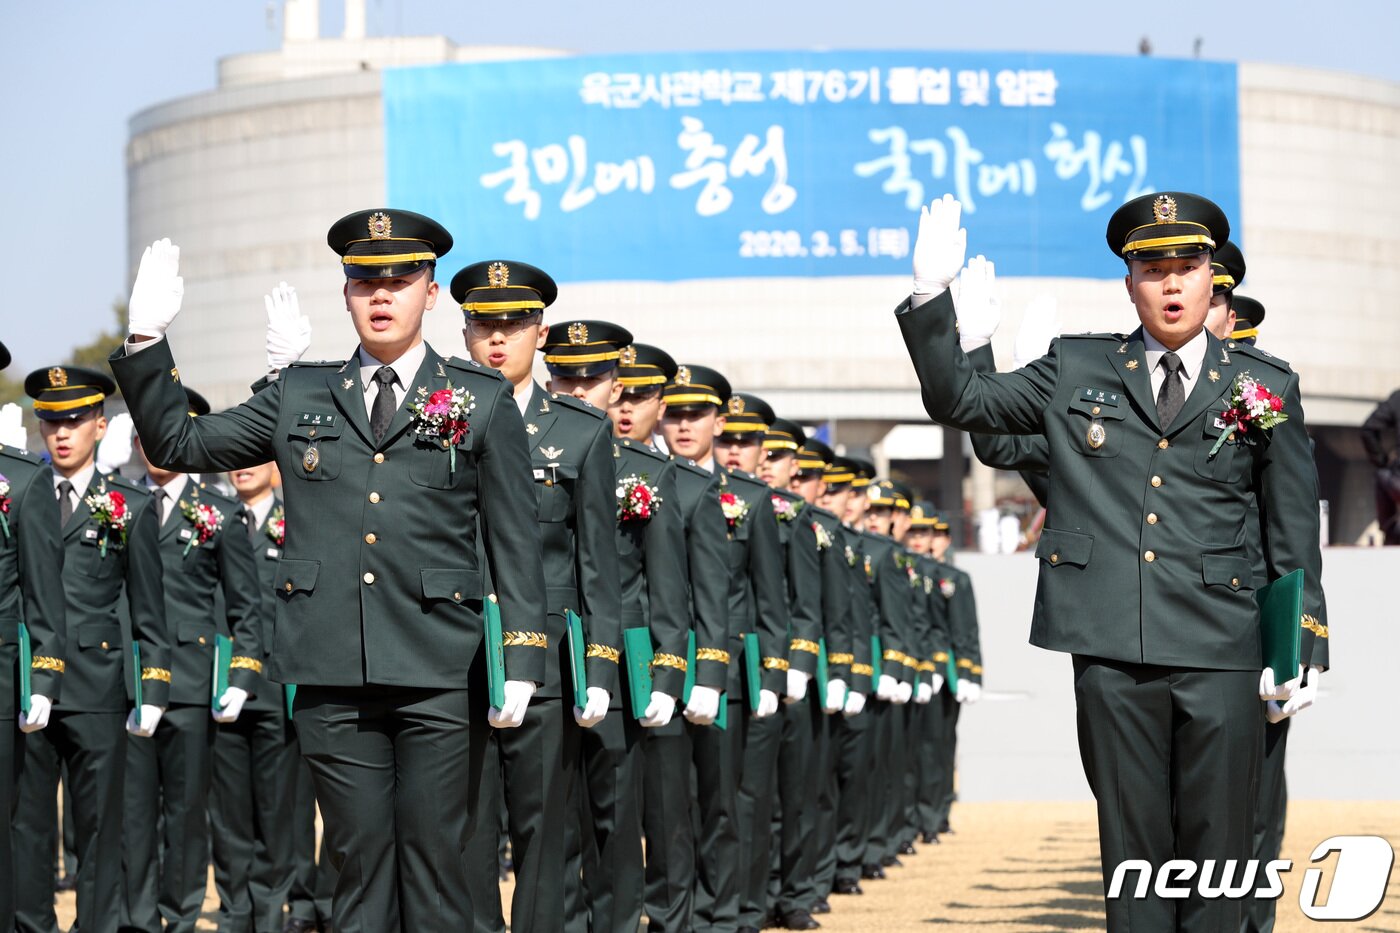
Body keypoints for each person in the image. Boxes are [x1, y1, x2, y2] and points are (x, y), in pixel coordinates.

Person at [897, 191, 1328, 931]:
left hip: (1223, 648)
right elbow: (964, 401)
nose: (1170, 283)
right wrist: (931, 299)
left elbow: (1291, 533)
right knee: (1134, 855)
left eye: (1187, 266)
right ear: (1129, 281)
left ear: (1210, 277)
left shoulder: (1264, 385)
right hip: (1112, 648)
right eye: (1151, 267)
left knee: (1220, 857)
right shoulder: (1077, 366)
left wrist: (1300, 646)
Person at [108, 213, 547, 933]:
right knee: (358, 862)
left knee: (439, 863)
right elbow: (179, 438)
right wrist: (147, 343)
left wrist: (523, 655)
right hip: (331, 670)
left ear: (431, 292)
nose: (381, 294)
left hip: (440, 667)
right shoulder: (299, 394)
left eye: (399, 279)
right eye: (364, 279)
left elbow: (514, 539)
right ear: (345, 293)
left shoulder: (481, 398)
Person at [456, 265, 622, 933]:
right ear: (464, 331)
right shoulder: (438, 419)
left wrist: (600, 666)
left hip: (549, 664)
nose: (498, 340)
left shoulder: (580, 431)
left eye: (514, 325)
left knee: (544, 838)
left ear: (540, 332)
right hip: (455, 654)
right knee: (463, 836)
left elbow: (597, 563)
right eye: (484, 325)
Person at [12, 365, 164, 933]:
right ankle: (32, 924)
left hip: (98, 683)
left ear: (101, 426)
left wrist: (154, 686)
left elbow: (148, 607)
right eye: (51, 421)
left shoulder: (128, 504)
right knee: (29, 824)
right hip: (30, 681)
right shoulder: (23, 490)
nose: (62, 432)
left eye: (75, 420)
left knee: (101, 824)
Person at [546, 322, 686, 933]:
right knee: (550, 817)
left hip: (618, 668)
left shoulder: (645, 473)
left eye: (593, 378)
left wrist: (667, 668)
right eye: (566, 376)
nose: (579, 389)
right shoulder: (528, 449)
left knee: (615, 817)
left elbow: (667, 586)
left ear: (615, 384)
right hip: (544, 654)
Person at [123, 388, 265, 933]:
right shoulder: (118, 502)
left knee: (185, 813)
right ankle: (134, 917)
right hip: (128, 678)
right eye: (145, 433)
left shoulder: (218, 513)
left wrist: (242, 674)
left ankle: (180, 915)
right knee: (131, 812)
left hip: (189, 681)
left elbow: (245, 605)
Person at [614, 350, 731, 933]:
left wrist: (705, 674)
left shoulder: (685, 486)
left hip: (662, 670)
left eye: (638, 396)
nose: (625, 405)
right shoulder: (583, 467)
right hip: (597, 671)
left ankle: (672, 922)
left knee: (666, 816)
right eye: (619, 392)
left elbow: (708, 593)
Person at [209, 460, 300, 933]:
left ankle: (269, 910)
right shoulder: (212, 518)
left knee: (275, 807)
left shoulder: (295, 520)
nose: (242, 469)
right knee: (227, 811)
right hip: (223, 679)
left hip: (275, 684)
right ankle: (234, 910)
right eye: (235, 460)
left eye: (254, 458)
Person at [0, 342, 69, 933]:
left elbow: (44, 596)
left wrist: (42, 676)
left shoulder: (21, 482)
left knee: (10, 828)